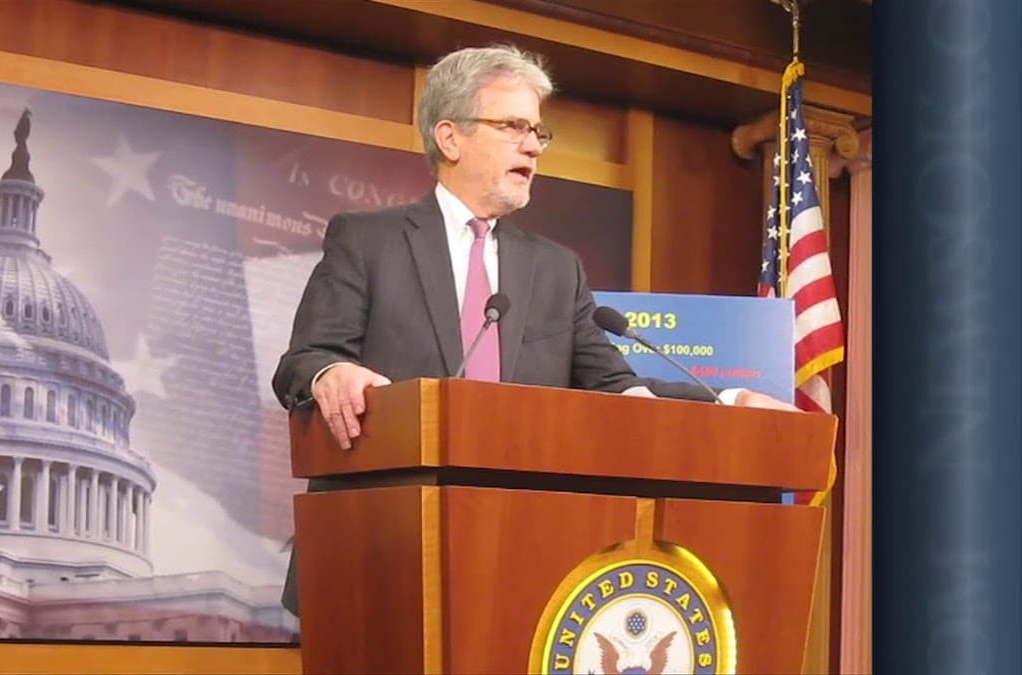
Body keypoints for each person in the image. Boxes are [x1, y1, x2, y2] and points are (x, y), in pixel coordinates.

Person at [271, 44, 795, 618]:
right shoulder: (367, 239)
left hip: (517, 551)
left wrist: (728, 401)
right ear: (450, 138)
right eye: (513, 126)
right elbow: (304, 360)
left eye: (538, 133)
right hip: (379, 553)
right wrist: (331, 370)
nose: (531, 146)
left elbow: (614, 386)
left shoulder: (555, 268)